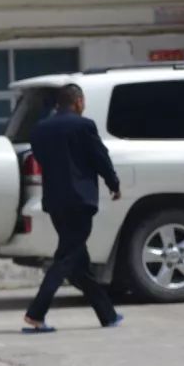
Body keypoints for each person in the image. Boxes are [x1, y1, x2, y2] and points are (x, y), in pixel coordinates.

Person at [23, 84, 124, 334]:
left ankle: (107, 314)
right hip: (80, 201)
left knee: (78, 263)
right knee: (67, 257)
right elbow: (100, 157)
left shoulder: (40, 129)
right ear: (78, 101)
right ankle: (36, 313)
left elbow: (41, 158)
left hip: (56, 202)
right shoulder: (84, 126)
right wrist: (113, 184)